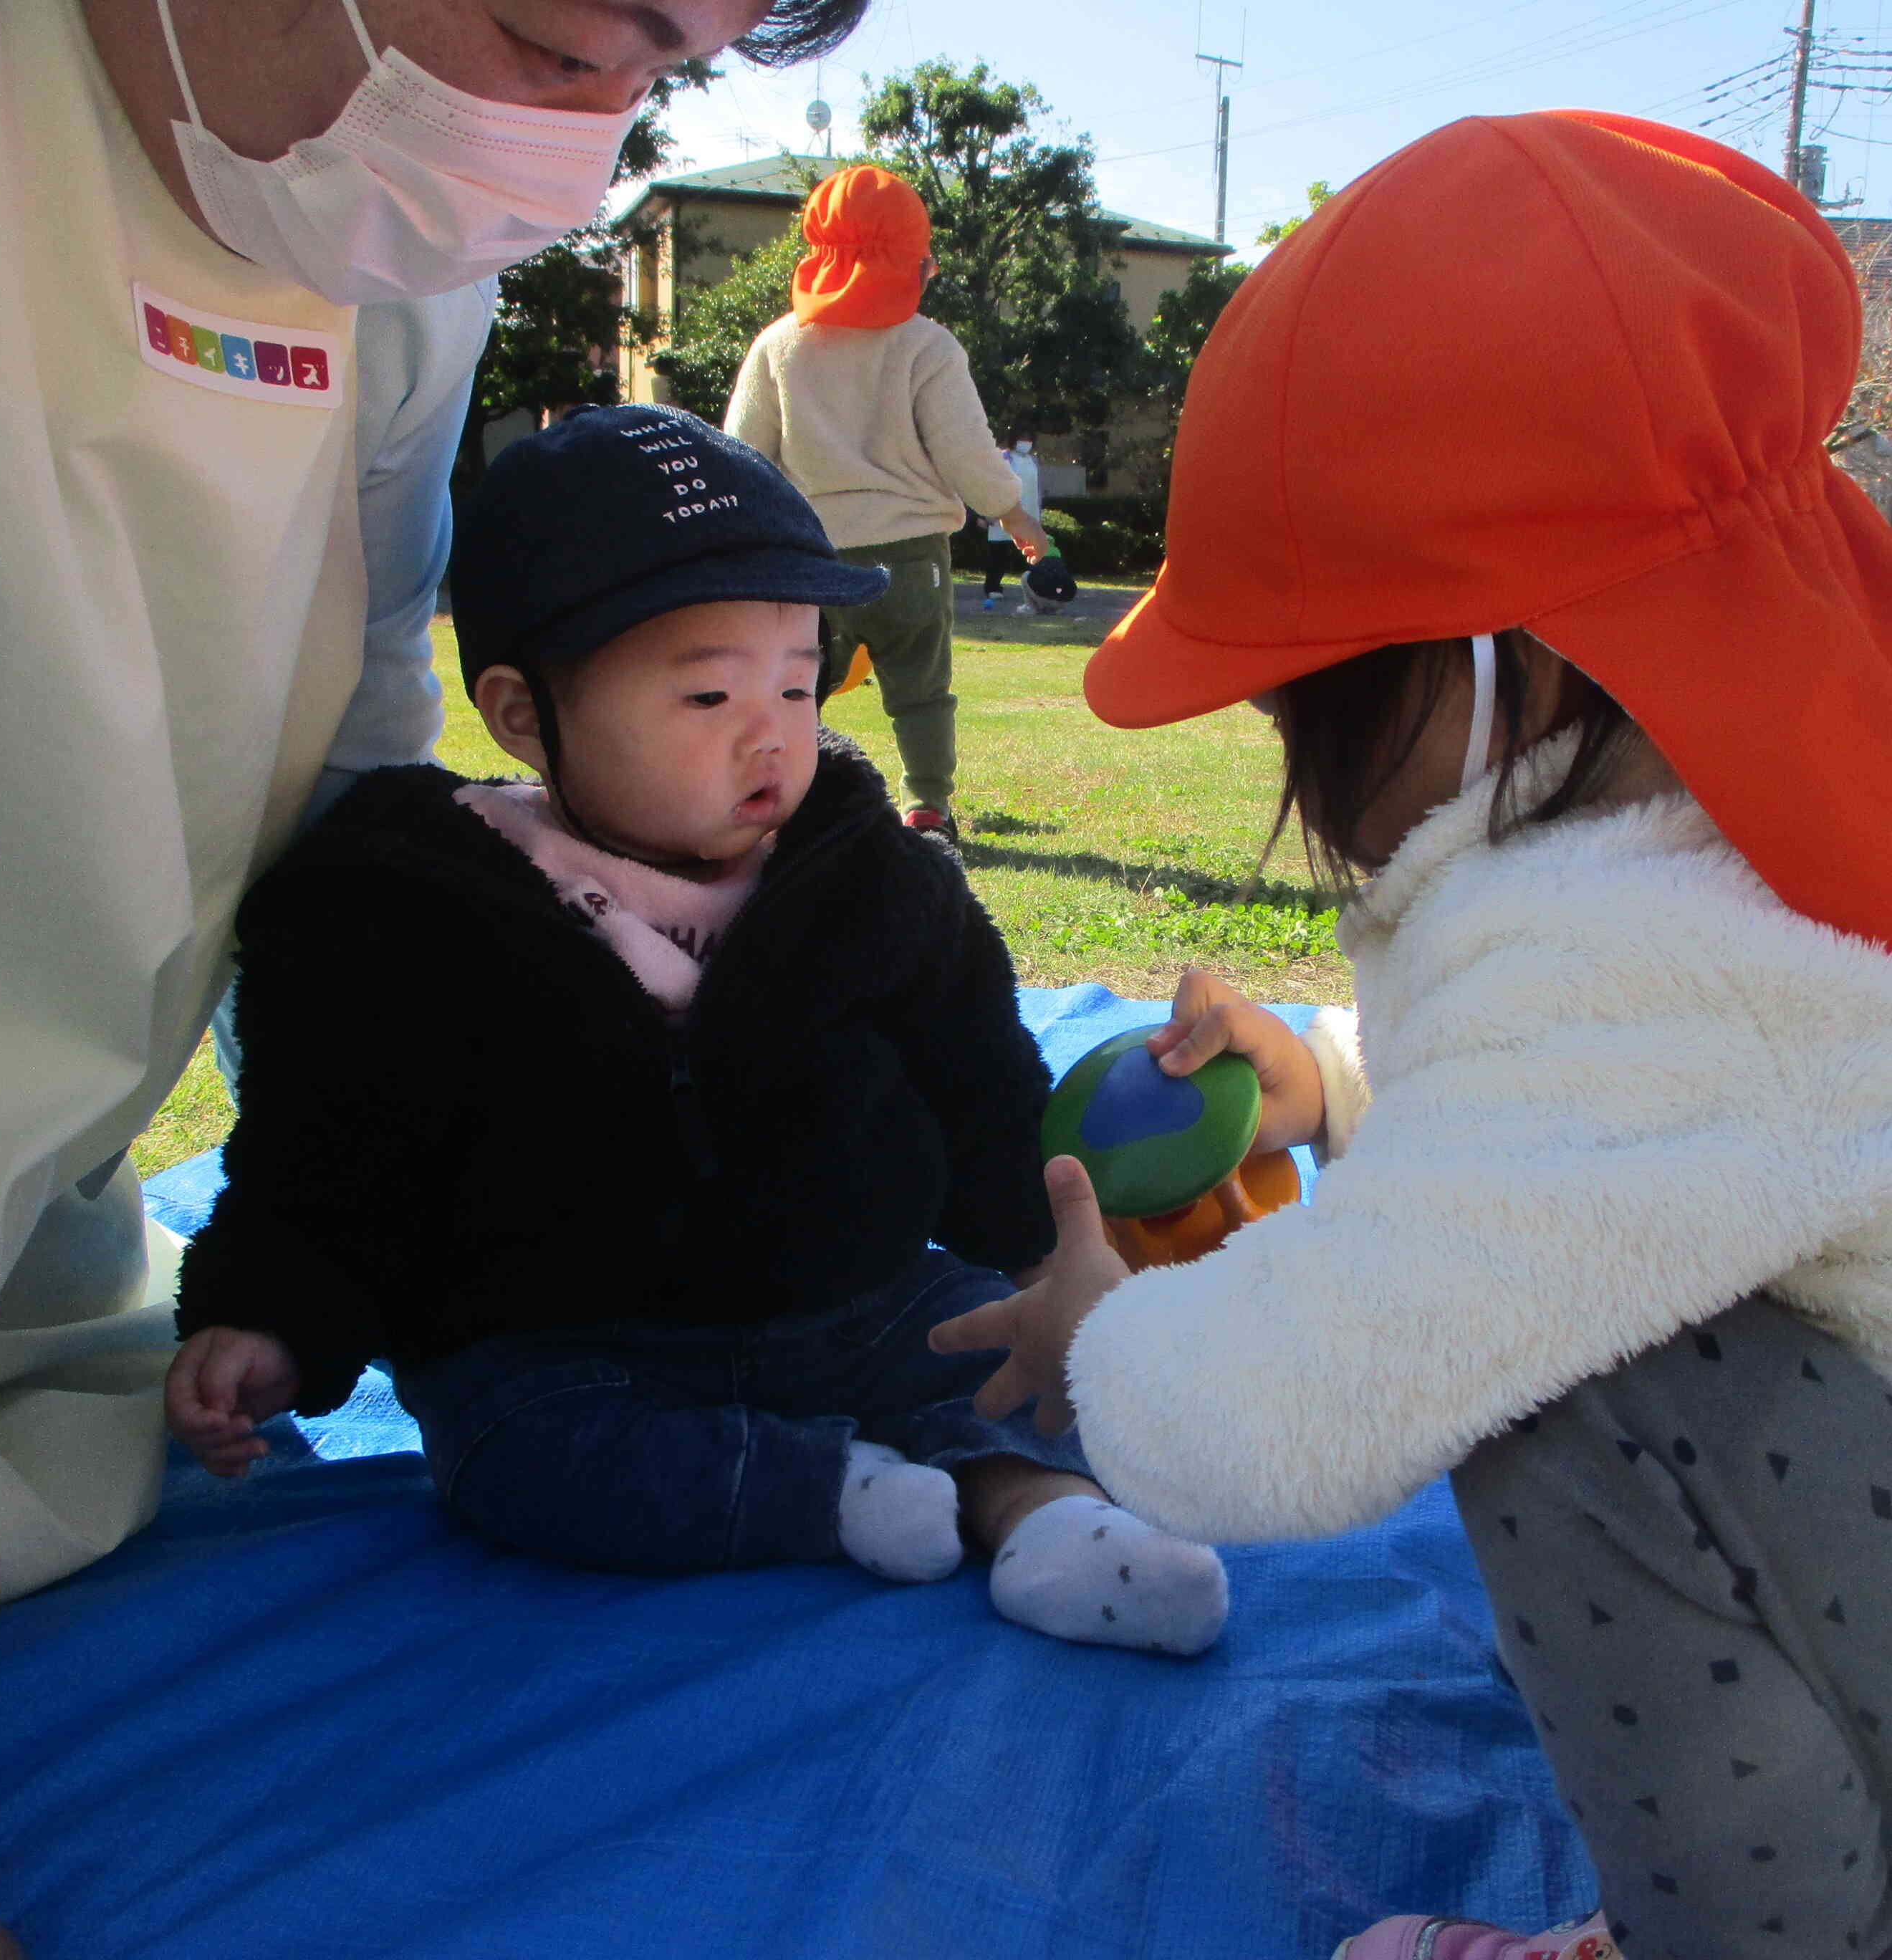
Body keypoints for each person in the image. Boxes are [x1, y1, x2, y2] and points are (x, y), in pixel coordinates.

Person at [932, 114, 1892, 1960]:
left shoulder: (1635, 948)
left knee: (1582, 1384)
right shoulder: (1777, 811)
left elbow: (1288, 1406)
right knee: (1611, 1286)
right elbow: (1682, 1113)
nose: (1296, 761)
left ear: (1499, 657)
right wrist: (1329, 1075)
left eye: (1307, 694)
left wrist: (1107, 1343)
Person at [0, 0, 868, 1947]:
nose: (590, 148)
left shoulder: (380, 247)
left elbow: (360, 804)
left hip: (7, 1341)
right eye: (559, 35)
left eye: (664, 74)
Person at [160, 407, 1230, 1657]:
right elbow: (328, 1153)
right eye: (710, 691)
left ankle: (1042, 1517)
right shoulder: (414, 908)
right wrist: (269, 1317)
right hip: (567, 1343)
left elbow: (979, 1081)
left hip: (857, 1295)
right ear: (522, 715)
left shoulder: (866, 879)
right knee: (513, 1462)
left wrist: (1045, 1254)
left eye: (797, 678)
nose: (770, 726)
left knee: (1002, 1356)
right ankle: (825, 1495)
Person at [724, 165, 1047, 842]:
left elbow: (743, 457)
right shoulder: (926, 346)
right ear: (914, 265)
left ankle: (786, 802)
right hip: (911, 558)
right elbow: (966, 451)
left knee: (795, 691)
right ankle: (927, 806)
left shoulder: (779, 346)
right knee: (921, 691)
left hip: (811, 560)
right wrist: (1015, 516)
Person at [983, 438, 1046, 611]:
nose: (1026, 442)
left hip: (1029, 515)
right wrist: (991, 511)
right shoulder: (1003, 457)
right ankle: (993, 587)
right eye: (1022, 438)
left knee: (1032, 553)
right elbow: (994, 483)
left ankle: (1036, 588)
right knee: (999, 552)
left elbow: (1037, 489)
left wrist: (1038, 515)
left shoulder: (1033, 461)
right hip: (1005, 512)